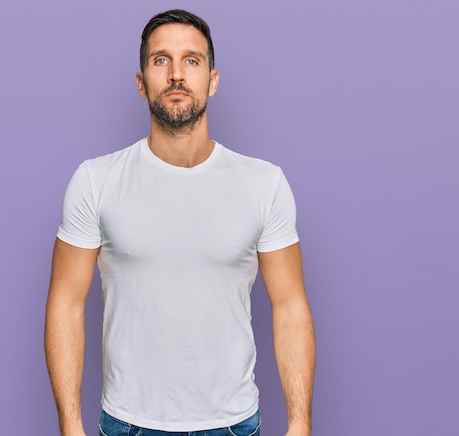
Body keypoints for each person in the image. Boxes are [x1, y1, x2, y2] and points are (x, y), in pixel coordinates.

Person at [45, 9, 316, 436]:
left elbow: (290, 306)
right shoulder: (96, 180)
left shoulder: (264, 183)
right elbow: (65, 303)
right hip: (128, 424)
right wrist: (70, 425)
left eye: (191, 60)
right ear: (141, 83)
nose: (176, 74)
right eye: (160, 60)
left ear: (212, 79)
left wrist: (300, 423)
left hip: (233, 424)